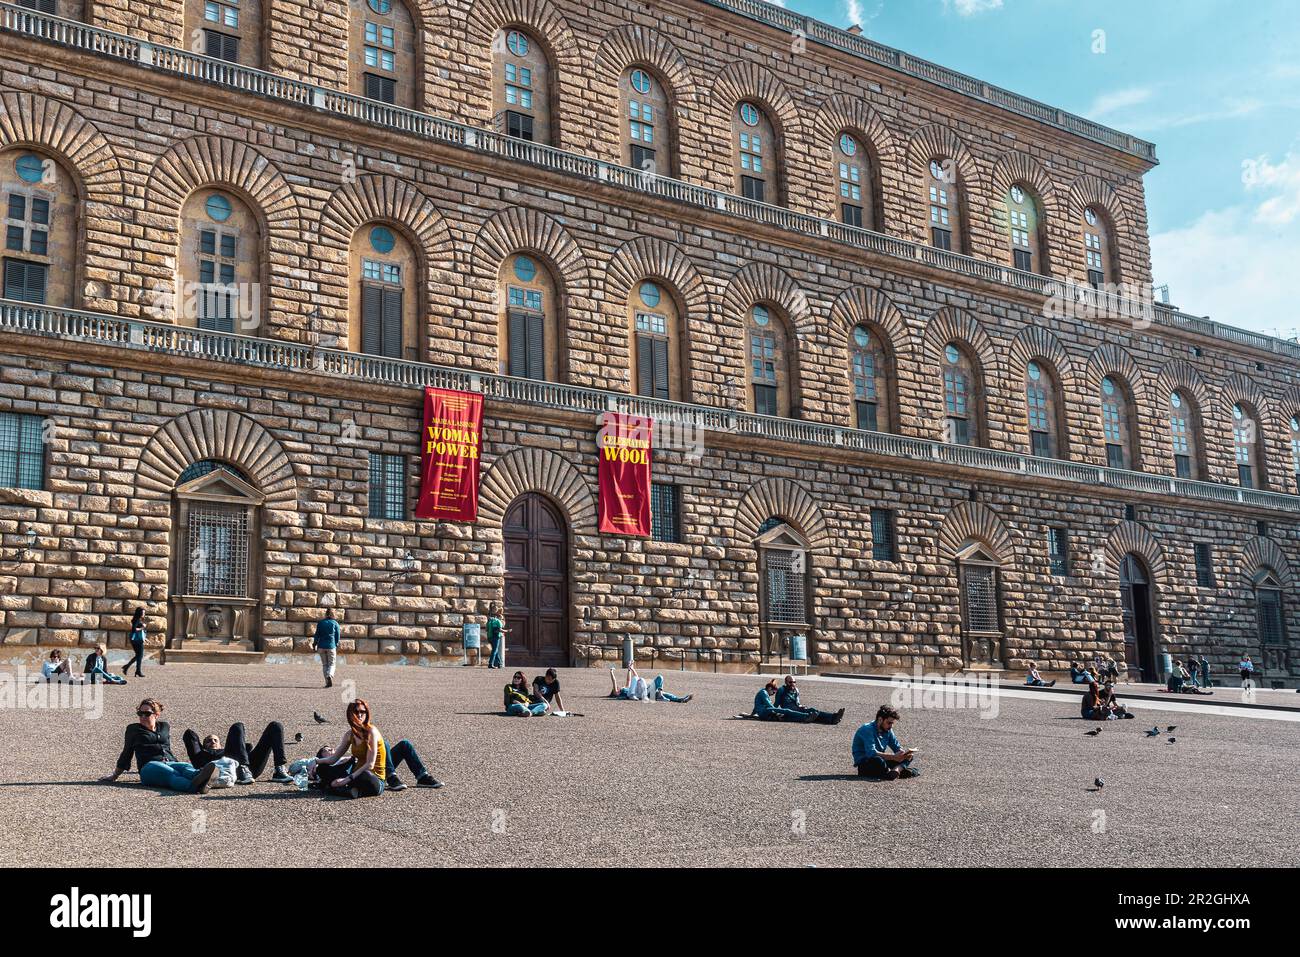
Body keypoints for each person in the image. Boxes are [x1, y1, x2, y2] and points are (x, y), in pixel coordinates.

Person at [312, 698, 442, 796]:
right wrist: (315, 761)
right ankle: (347, 787)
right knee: (323, 769)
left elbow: (370, 764)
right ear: (350, 714)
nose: (360, 715)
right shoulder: (349, 735)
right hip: (359, 773)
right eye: (356, 712)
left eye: (363, 712)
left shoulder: (371, 731)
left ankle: (419, 777)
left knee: (399, 745)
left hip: (370, 776)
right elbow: (333, 758)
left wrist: (347, 779)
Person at [100, 698, 220, 793]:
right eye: (140, 713)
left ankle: (203, 778)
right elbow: (127, 752)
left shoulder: (164, 727)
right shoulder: (133, 730)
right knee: (171, 773)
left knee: (184, 766)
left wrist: (175, 762)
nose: (142, 717)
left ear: (156, 715)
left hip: (169, 761)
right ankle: (193, 787)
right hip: (149, 767)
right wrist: (115, 775)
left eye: (146, 714)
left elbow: (167, 748)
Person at [182, 721, 294, 784]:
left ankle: (279, 768)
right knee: (238, 726)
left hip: (249, 769)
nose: (212, 741)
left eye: (215, 740)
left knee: (275, 726)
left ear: (222, 745)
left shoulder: (229, 750)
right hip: (220, 769)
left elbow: (246, 747)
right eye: (208, 740)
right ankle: (242, 770)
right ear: (203, 745)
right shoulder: (202, 754)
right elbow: (190, 736)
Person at [851, 705, 919, 779]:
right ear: (880, 719)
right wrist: (894, 757)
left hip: (882, 762)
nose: (891, 726)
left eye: (892, 723)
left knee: (909, 757)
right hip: (866, 763)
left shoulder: (888, 730)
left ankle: (896, 770)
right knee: (878, 760)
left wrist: (903, 754)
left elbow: (897, 747)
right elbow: (871, 753)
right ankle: (896, 772)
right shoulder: (867, 729)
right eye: (889, 723)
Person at [772, 675, 844, 724]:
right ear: (786, 682)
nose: (792, 684)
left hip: (798, 709)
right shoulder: (781, 690)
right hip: (790, 711)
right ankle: (833, 718)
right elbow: (776, 704)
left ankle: (833, 718)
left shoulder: (796, 690)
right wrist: (771, 712)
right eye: (790, 682)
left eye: (794, 682)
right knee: (811, 714)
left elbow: (798, 702)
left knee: (814, 712)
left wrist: (801, 706)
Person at [607, 666, 692, 703]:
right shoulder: (618, 693)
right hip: (640, 695)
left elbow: (630, 679)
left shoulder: (627, 688)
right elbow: (614, 681)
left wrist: (630, 669)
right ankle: (660, 695)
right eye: (616, 688)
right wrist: (611, 671)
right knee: (639, 679)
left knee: (660, 679)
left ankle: (679, 699)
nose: (618, 687)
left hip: (645, 692)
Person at [313, 608, 340, 688]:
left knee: (325, 664)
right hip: (331, 646)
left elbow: (317, 635)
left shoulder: (320, 623)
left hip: (321, 646)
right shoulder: (335, 623)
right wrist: (336, 644)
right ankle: (330, 675)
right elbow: (337, 635)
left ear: (325, 614)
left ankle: (327, 682)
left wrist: (314, 644)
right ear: (333, 614)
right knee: (332, 664)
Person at [122, 608, 146, 678]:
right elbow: (134, 629)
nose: (144, 614)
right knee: (140, 656)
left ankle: (127, 667)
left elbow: (139, 632)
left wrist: (145, 638)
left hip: (136, 639)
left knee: (138, 656)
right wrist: (143, 627)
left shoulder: (137, 619)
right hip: (137, 640)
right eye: (143, 613)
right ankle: (137, 671)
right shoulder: (137, 620)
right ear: (140, 613)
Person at [486, 605, 507, 669]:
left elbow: (486, 629)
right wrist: (507, 631)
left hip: (489, 637)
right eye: (502, 618)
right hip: (496, 637)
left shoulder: (489, 621)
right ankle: (490, 664)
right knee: (494, 650)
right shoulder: (498, 621)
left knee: (496, 650)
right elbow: (500, 629)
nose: (502, 619)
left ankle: (499, 664)